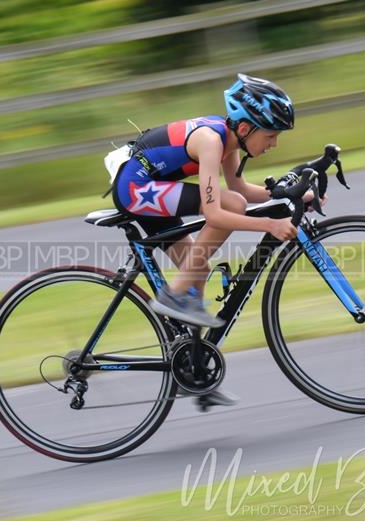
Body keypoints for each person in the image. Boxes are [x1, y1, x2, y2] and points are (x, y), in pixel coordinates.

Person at [110, 73, 325, 410]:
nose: (274, 144)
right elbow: (217, 213)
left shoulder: (229, 140)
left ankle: (195, 374)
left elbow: (241, 188)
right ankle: (173, 295)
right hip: (136, 190)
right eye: (271, 135)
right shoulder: (211, 141)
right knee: (229, 213)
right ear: (246, 128)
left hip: (154, 188)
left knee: (200, 265)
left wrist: (293, 194)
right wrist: (270, 224)